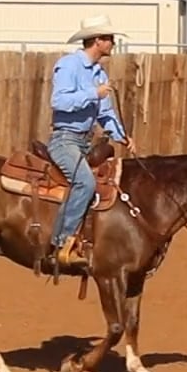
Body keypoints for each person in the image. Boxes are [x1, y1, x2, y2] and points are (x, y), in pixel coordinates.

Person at [47, 15, 131, 267]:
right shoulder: (69, 65)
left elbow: (105, 113)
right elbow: (58, 101)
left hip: (85, 141)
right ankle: (60, 243)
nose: (113, 43)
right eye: (109, 39)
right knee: (84, 182)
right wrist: (93, 93)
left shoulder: (99, 73)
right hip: (65, 139)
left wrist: (121, 136)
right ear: (97, 41)